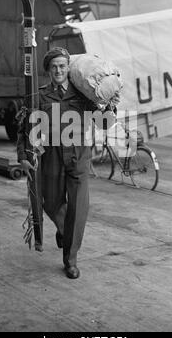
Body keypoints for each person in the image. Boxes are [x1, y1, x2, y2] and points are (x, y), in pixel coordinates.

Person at [17, 47, 106, 279]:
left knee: (77, 209)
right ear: (48, 70)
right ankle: (64, 230)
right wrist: (24, 156)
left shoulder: (83, 94)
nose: (58, 70)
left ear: (69, 68)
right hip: (52, 156)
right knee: (49, 202)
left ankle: (70, 260)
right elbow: (25, 128)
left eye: (62, 66)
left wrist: (108, 104)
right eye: (54, 67)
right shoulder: (40, 95)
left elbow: (103, 121)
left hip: (78, 155)